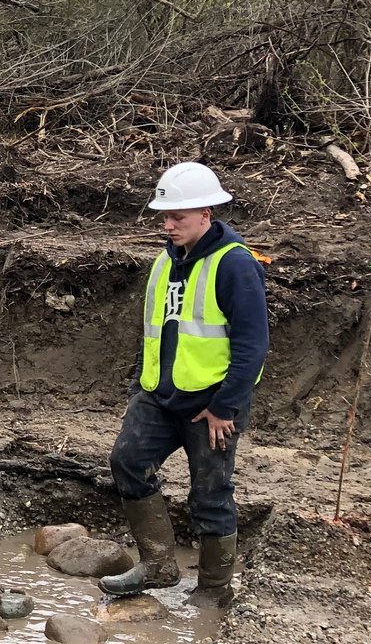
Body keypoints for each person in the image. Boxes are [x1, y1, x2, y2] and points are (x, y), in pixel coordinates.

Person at [100, 161, 269, 601]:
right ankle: (157, 566)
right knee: (128, 461)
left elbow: (252, 345)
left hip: (212, 404)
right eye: (165, 216)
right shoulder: (165, 260)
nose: (168, 224)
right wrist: (144, 389)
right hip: (160, 395)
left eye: (178, 216)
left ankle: (214, 590)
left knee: (210, 494)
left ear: (206, 214)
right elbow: (157, 332)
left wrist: (225, 407)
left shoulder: (234, 265)